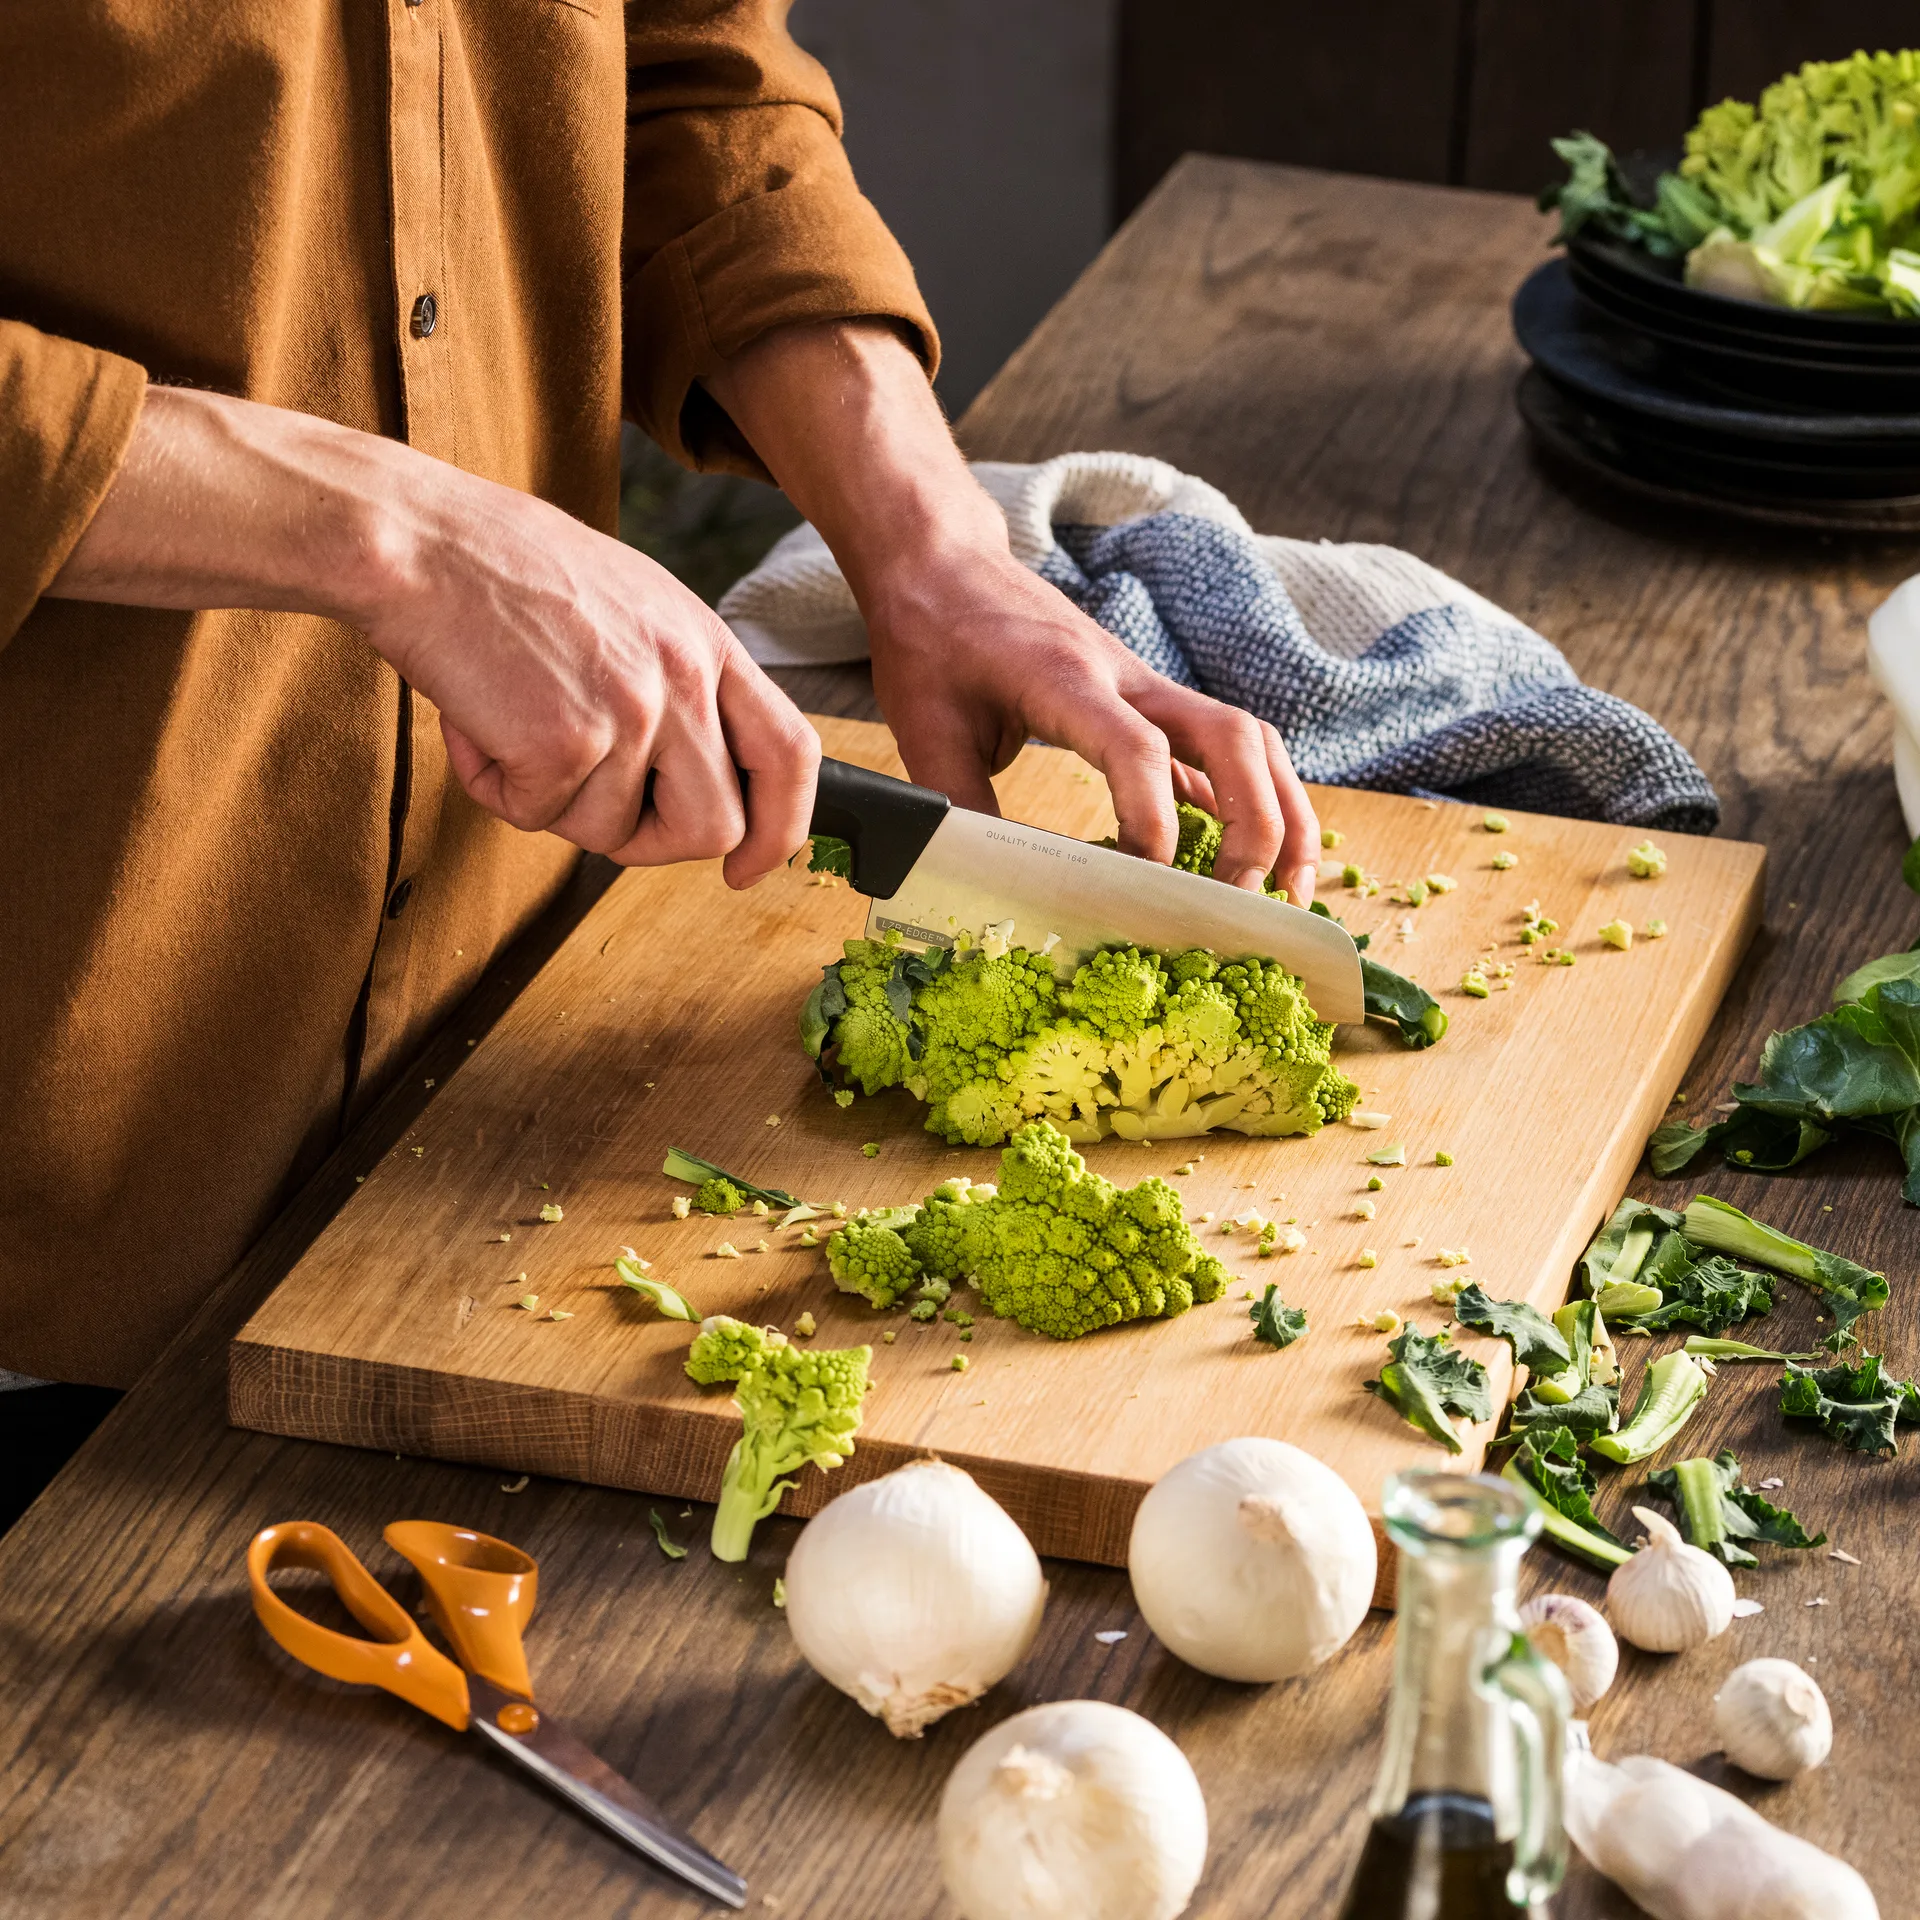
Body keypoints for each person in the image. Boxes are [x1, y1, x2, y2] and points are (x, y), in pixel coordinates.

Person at [0, 3, 1319, 1427]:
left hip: (481, 1090)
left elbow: (686, 79)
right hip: (58, 1163)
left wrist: (930, 544)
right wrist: (393, 534)